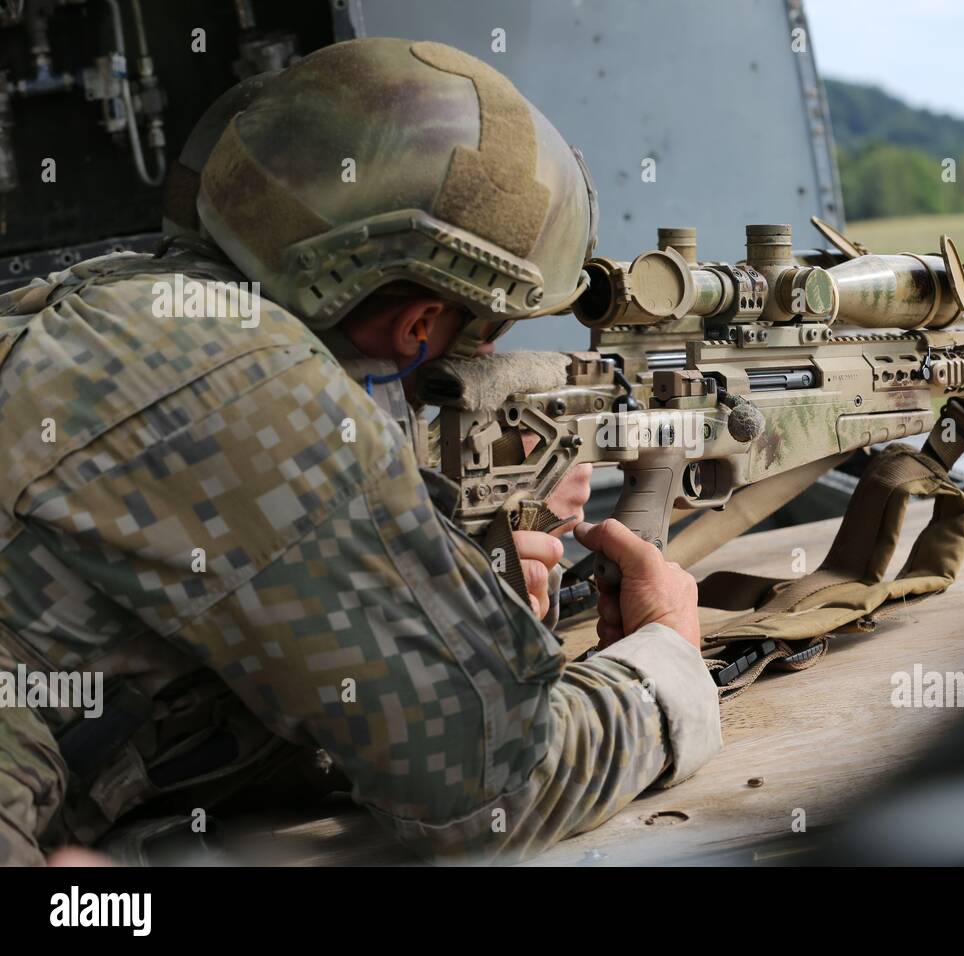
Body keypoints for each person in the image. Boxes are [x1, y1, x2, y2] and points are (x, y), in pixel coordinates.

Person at [0, 37, 720, 866]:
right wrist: (664, 662)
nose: (479, 359)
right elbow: (494, 790)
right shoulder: (256, 388)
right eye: (484, 332)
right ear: (417, 325)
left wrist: (444, 584)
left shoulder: (123, 301)